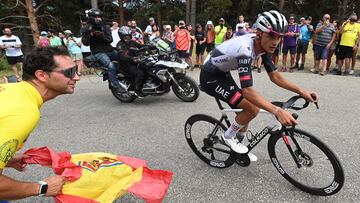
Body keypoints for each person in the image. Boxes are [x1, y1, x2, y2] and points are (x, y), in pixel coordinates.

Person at [199, 10, 317, 161]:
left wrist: (302, 91)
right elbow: (247, 91)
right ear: (260, 34)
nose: (276, 42)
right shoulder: (245, 49)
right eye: (272, 36)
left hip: (222, 72)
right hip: (210, 77)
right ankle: (227, 136)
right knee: (252, 107)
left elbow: (274, 76)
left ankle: (239, 147)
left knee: (246, 111)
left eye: (279, 37)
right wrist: (277, 111)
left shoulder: (263, 45)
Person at [0, 46, 80, 201]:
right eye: (70, 72)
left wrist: (5, 158)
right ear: (41, 75)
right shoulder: (24, 112)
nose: (77, 77)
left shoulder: (11, 90)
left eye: (76, 70)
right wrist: (42, 187)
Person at [81, 8, 125, 93]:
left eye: (99, 17)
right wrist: (91, 34)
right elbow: (85, 43)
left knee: (124, 58)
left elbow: (110, 40)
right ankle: (116, 85)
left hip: (110, 50)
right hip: (98, 52)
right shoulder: (87, 28)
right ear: (91, 18)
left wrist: (101, 35)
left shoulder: (105, 27)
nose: (98, 19)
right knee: (110, 65)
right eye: (96, 17)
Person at [116, 26, 147, 96]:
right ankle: (137, 90)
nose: (127, 38)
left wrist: (150, 46)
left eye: (128, 36)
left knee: (147, 68)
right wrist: (132, 58)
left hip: (134, 62)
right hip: (126, 65)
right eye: (125, 37)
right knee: (140, 73)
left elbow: (141, 46)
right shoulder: (120, 45)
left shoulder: (132, 42)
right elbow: (122, 56)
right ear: (121, 37)